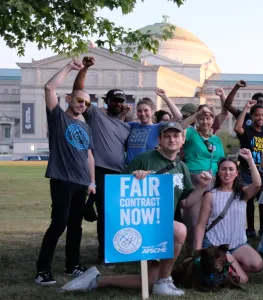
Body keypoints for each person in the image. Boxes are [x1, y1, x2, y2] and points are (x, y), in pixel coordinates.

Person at [59, 122, 211, 295]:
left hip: (159, 226)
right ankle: (164, 280)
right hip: (139, 223)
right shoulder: (145, 159)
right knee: (179, 230)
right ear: (159, 139)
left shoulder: (182, 167)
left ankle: (96, 280)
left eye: (176, 136)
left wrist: (201, 186)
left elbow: (186, 203)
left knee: (148, 282)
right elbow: (119, 189)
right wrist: (134, 177)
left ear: (183, 139)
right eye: (167, 136)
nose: (172, 139)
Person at [34, 60, 96, 285]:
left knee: (75, 226)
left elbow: (89, 155)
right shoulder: (58, 117)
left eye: (86, 103)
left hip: (81, 182)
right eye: (79, 100)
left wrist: (92, 182)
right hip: (62, 179)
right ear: (69, 99)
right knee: (59, 224)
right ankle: (42, 270)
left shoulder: (85, 126)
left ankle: (72, 265)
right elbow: (49, 88)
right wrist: (70, 67)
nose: (83, 105)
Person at [71, 57, 131, 265]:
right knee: (106, 214)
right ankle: (106, 254)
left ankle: (117, 248)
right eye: (114, 100)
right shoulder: (95, 114)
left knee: (116, 214)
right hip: (100, 171)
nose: (118, 104)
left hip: (119, 174)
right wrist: (85, 68)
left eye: (121, 101)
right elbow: (78, 92)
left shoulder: (126, 126)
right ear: (106, 101)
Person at [194, 149, 263, 283]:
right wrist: (198, 251)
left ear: (237, 173)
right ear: (218, 172)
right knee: (243, 279)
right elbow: (201, 225)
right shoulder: (210, 195)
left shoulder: (242, 194)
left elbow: (257, 184)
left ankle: (229, 264)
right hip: (216, 244)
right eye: (223, 169)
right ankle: (225, 265)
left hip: (237, 243)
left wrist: (250, 160)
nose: (227, 172)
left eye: (231, 169)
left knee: (257, 265)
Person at [234, 99, 263, 238]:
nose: (260, 118)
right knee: (249, 200)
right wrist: (246, 107)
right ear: (251, 116)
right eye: (257, 115)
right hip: (247, 171)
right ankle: (250, 228)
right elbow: (237, 128)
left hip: (262, 172)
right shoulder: (247, 131)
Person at [125, 89, 183, 164]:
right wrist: (123, 113)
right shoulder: (131, 126)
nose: (142, 114)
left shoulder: (158, 127)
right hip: (130, 167)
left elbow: (178, 116)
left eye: (146, 110)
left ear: (152, 111)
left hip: (148, 167)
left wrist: (164, 97)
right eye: (139, 111)